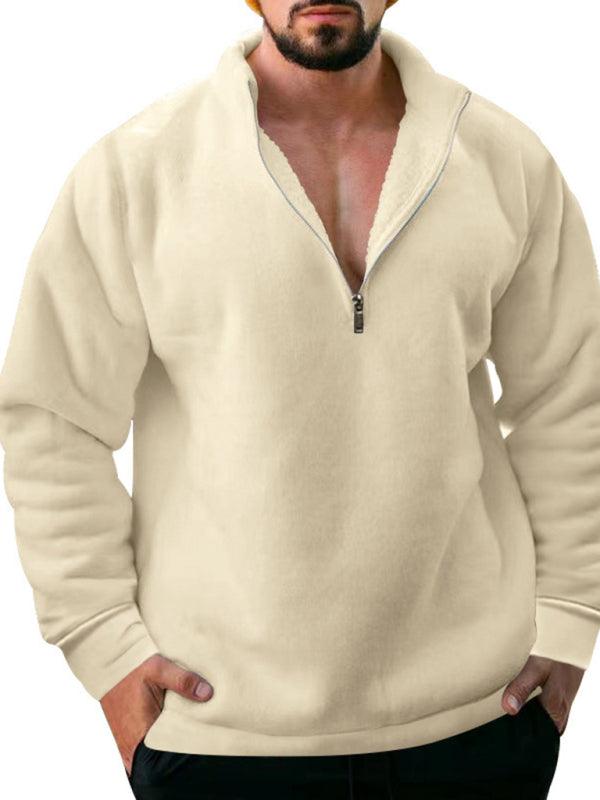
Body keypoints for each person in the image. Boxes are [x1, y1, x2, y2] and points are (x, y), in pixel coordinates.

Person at [0, 0, 598, 797]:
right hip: (217, 733)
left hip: (481, 722)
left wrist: (570, 620)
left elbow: (572, 400)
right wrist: (106, 647)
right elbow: (53, 417)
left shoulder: (502, 161)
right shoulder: (138, 171)